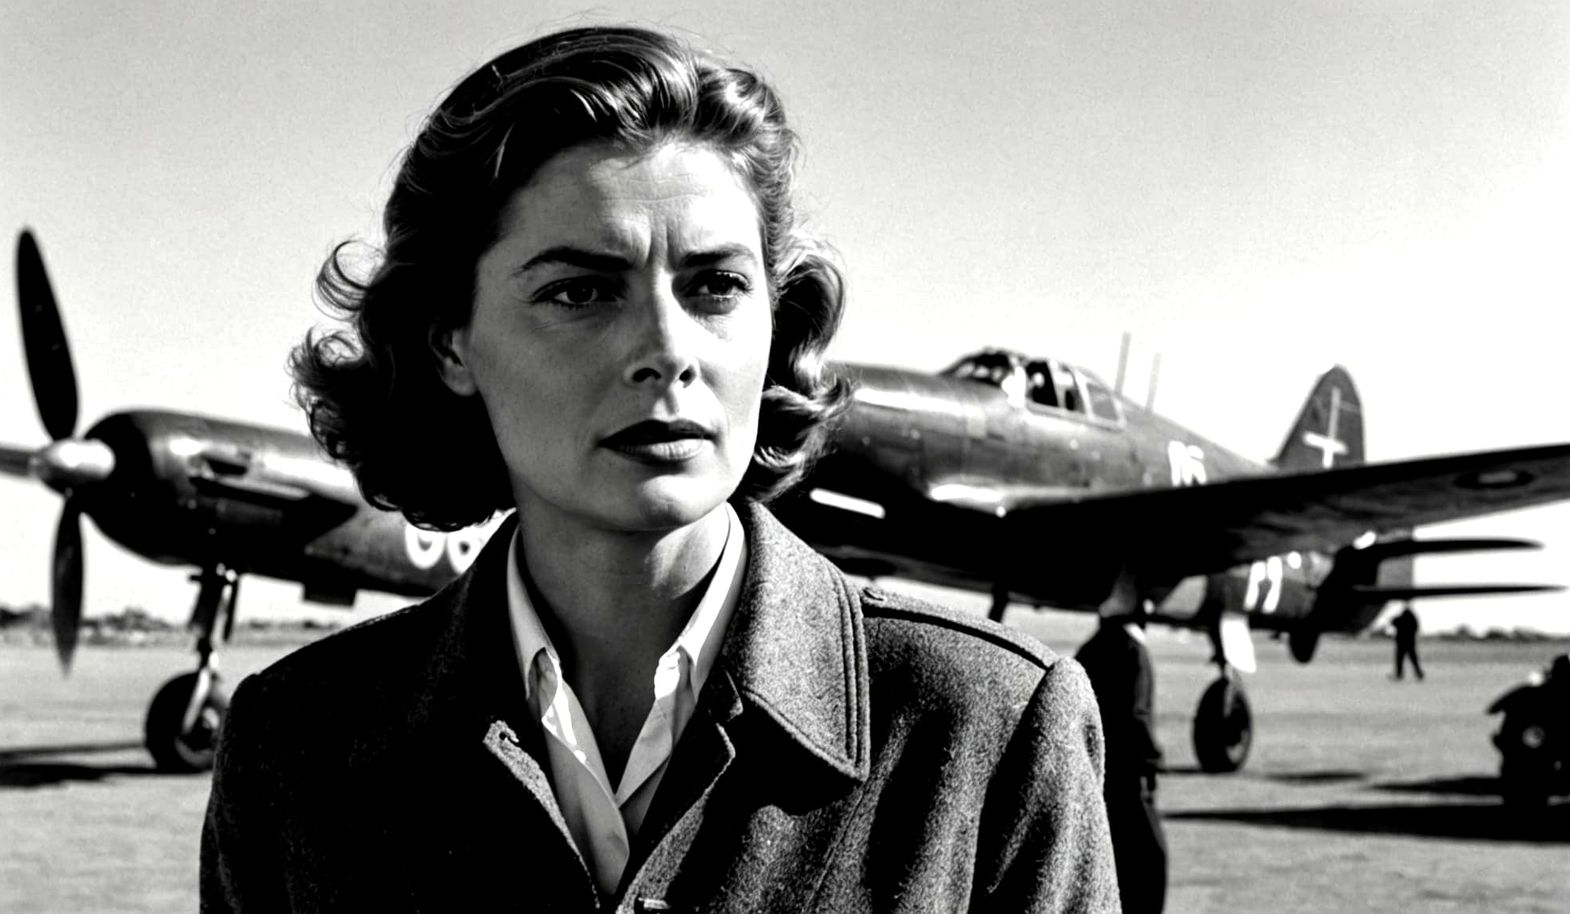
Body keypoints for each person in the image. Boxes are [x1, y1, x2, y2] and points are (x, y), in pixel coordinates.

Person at [199, 25, 1118, 913]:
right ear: (450, 342)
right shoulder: (292, 749)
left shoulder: (988, 727)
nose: (668, 349)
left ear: (775, 319)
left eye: (717, 285)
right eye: (581, 291)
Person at [1075, 603, 1167, 914]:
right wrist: (1152, 757)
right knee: (1151, 859)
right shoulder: (1133, 649)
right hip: (1130, 774)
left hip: (1098, 771)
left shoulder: (1090, 647)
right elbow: (1136, 713)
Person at [1392, 604, 1423, 680]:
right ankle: (1419, 673)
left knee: (1399, 660)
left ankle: (1399, 674)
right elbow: (1416, 628)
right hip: (1410, 643)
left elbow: (1394, 622)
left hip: (1402, 643)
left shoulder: (1402, 619)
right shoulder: (1412, 619)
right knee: (1413, 659)